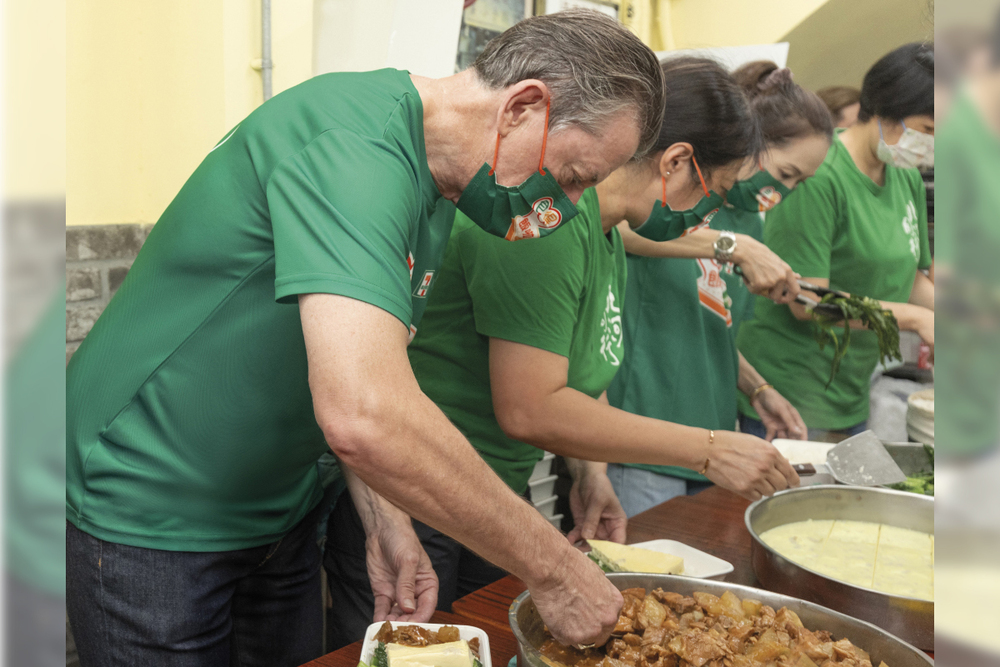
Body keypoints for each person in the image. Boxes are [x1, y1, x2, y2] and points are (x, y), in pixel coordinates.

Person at [65, 11, 667, 666]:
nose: (571, 204)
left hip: (280, 507)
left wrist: (385, 519)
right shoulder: (354, 146)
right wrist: (554, 568)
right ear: (523, 107)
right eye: (574, 175)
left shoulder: (443, 187)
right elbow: (364, 413)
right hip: (153, 504)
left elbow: (369, 368)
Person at [322, 57, 801, 643]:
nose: (708, 218)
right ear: (675, 162)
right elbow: (531, 407)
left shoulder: (609, 231)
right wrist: (706, 450)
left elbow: (581, 366)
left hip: (493, 495)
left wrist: (590, 473)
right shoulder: (548, 228)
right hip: (425, 497)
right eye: (713, 194)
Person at [605, 61, 833, 517]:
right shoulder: (676, 200)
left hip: (712, 440)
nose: (784, 191)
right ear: (750, 146)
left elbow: (714, 323)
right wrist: (732, 246)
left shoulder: (747, 220)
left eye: (799, 184)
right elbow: (624, 229)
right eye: (785, 173)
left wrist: (757, 388)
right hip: (647, 437)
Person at [737, 43, 935, 443]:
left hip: (850, 387)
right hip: (793, 392)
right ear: (883, 110)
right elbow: (808, 301)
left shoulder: (904, 175)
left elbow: (908, 276)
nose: (933, 144)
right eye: (928, 130)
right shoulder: (817, 176)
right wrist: (915, 320)